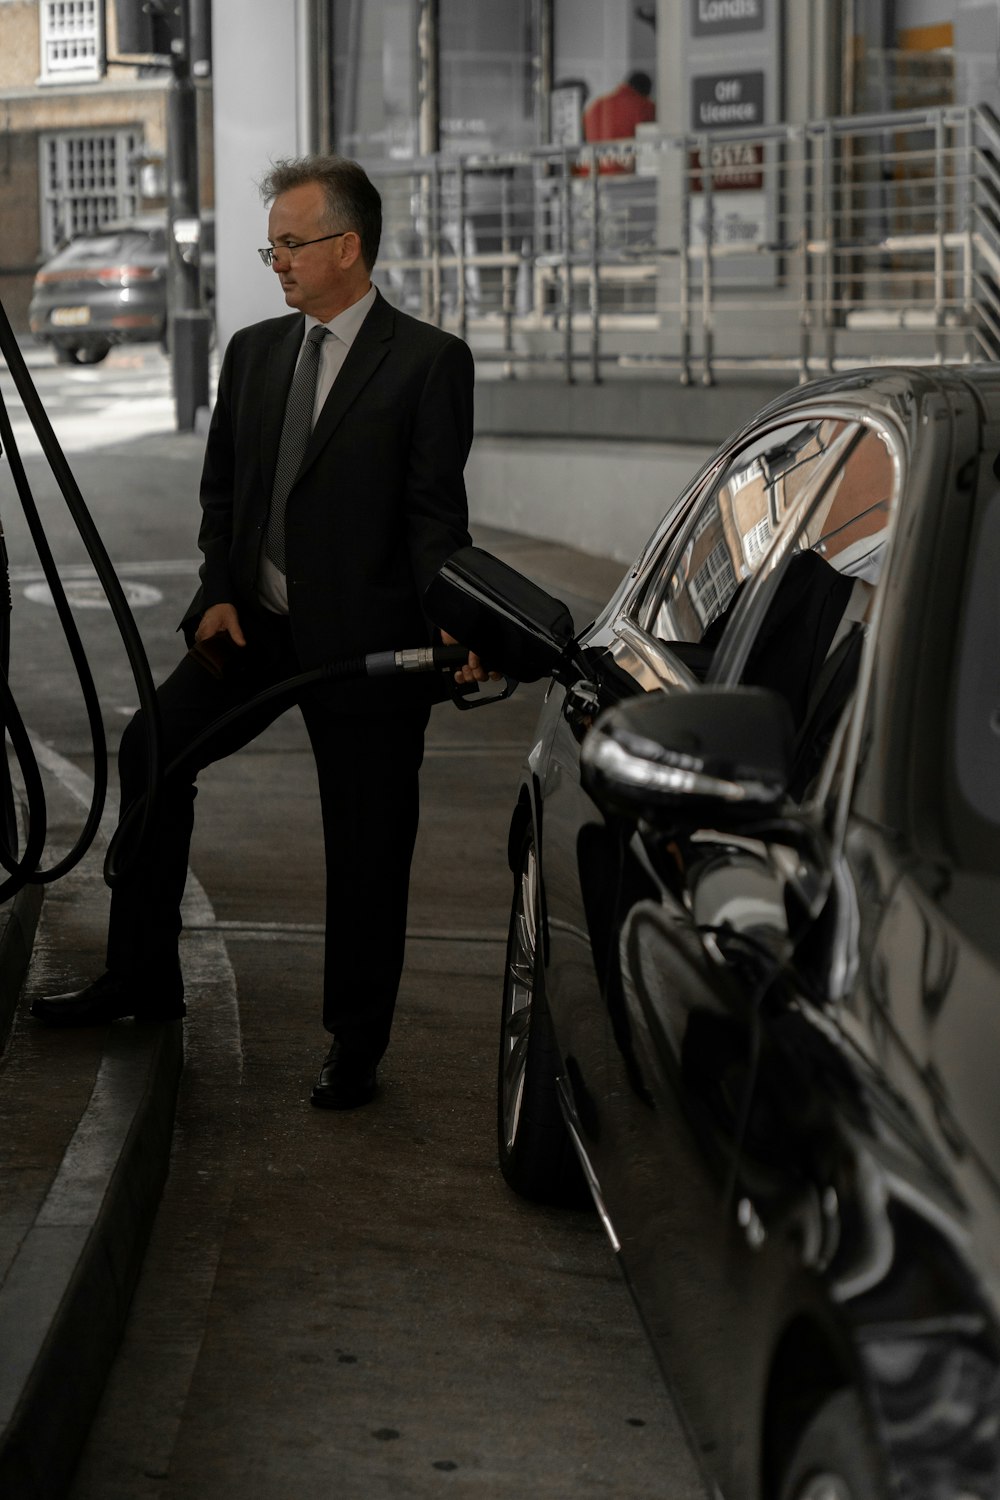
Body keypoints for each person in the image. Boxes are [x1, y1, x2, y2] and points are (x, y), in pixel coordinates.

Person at [32, 154, 485, 1110]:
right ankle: (143, 977)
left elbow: (435, 527)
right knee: (154, 745)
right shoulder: (253, 352)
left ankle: (355, 1046)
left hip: (367, 649)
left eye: (292, 242)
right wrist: (218, 590)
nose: (276, 260)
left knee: (367, 843)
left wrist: (464, 630)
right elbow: (225, 495)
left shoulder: (428, 363)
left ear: (348, 246)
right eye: (271, 243)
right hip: (260, 626)